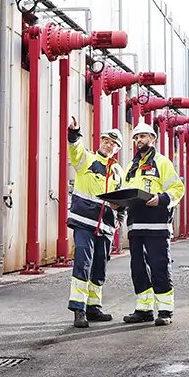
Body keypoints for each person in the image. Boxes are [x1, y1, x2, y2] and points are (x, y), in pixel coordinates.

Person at [119, 122, 186, 327]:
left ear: (153, 139)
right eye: (137, 138)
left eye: (143, 137)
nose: (139, 141)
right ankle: (144, 309)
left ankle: (165, 310)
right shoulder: (131, 167)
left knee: (159, 266)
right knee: (138, 268)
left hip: (156, 226)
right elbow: (125, 191)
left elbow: (177, 188)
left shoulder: (162, 162)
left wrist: (161, 199)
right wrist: (117, 203)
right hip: (135, 227)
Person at [65, 115, 123, 328]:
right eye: (106, 140)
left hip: (106, 227)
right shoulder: (86, 159)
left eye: (114, 143)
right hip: (84, 222)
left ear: (117, 148)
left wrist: (120, 217)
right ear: (101, 141)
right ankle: (78, 309)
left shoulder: (118, 172)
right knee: (83, 263)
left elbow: (122, 198)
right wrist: (74, 132)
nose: (109, 145)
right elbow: (75, 148)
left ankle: (93, 307)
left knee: (99, 267)